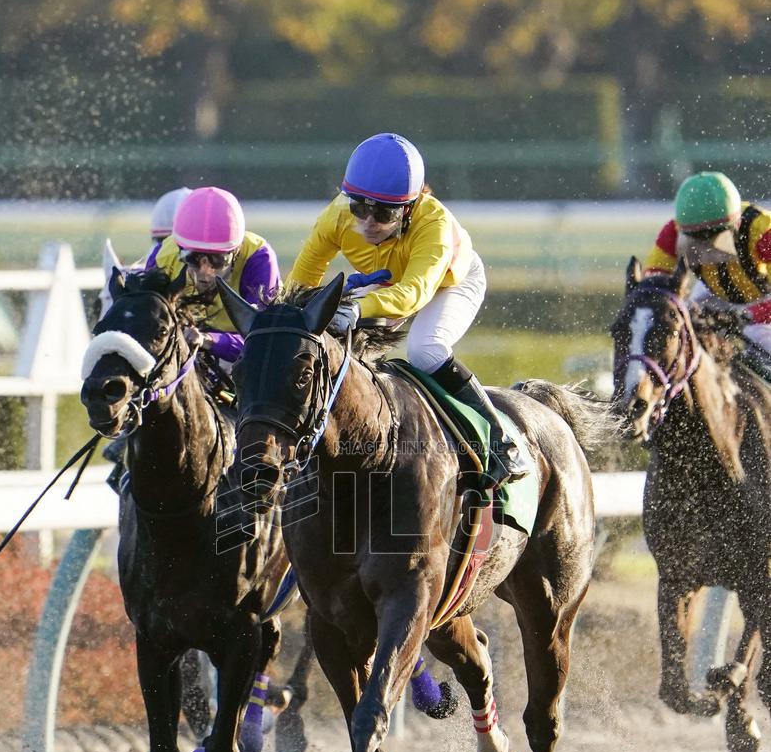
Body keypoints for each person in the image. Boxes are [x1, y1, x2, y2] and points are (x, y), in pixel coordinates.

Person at [287, 132, 529, 487]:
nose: (368, 222)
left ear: (410, 208)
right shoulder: (335, 217)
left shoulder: (436, 225)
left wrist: (359, 308)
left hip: (449, 283)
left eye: (384, 212)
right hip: (386, 283)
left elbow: (414, 292)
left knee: (425, 351)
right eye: (359, 207)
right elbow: (300, 283)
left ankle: (501, 443)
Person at [145, 185, 281, 367]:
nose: (204, 272)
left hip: (243, 359)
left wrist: (208, 340)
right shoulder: (162, 257)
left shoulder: (259, 258)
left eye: (217, 260)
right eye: (192, 258)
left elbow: (265, 343)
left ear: (236, 251)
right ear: (179, 249)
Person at [644, 171, 771, 362]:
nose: (706, 248)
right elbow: (651, 291)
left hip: (763, 301)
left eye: (713, 235)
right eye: (696, 237)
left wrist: (746, 315)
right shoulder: (672, 233)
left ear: (736, 224)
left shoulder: (763, 231)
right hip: (711, 294)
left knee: (755, 334)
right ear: (681, 226)